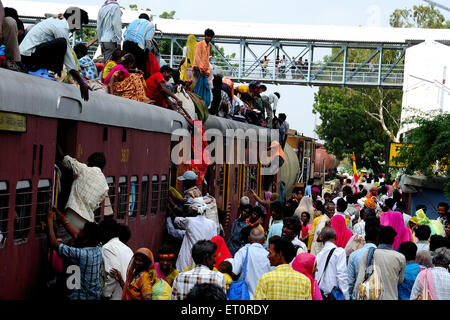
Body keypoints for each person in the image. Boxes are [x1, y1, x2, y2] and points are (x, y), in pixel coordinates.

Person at [19, 9, 90, 100]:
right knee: (61, 43)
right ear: (73, 20)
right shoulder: (61, 27)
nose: (78, 28)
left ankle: (50, 72)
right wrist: (81, 83)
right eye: (79, 24)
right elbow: (68, 58)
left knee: (61, 46)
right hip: (28, 57)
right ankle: (40, 70)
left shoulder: (57, 21)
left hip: (29, 54)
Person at [46, 210, 103, 300]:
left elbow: (54, 243)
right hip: (95, 296)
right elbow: (76, 234)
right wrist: (62, 217)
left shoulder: (82, 254)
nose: (79, 230)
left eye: (82, 231)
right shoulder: (98, 249)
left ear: (86, 238)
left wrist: (49, 221)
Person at [58, 146, 109, 231]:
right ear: (103, 166)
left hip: (72, 216)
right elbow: (96, 205)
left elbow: (66, 159)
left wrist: (57, 146)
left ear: (89, 162)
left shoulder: (83, 169)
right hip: (87, 222)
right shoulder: (105, 186)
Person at [354, 226, 406, 300]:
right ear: (393, 240)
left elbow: (360, 279)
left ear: (378, 238)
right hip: (391, 297)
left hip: (371, 297)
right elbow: (400, 280)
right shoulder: (400, 257)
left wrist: (356, 295)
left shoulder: (369, 254)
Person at [173, 198, 218, 272]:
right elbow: (214, 239)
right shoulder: (212, 223)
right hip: (205, 260)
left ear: (193, 210)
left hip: (188, 260)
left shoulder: (189, 221)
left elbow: (176, 220)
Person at [231, 227, 272, 299]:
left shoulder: (243, 251)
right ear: (264, 240)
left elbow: (234, 272)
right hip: (262, 297)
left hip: (243, 296)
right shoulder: (269, 256)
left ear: (249, 239)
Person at [99, 218, 133, 300]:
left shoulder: (107, 248)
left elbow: (112, 274)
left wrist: (106, 294)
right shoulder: (127, 248)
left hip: (116, 295)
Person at [315, 226, 350, 300]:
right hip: (334, 295)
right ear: (335, 237)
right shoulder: (339, 252)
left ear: (322, 238)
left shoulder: (318, 255)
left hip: (321, 294)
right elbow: (342, 276)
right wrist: (346, 296)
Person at [347, 224, 379, 298]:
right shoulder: (382, 255)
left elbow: (350, 281)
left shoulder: (354, 255)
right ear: (378, 239)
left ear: (365, 238)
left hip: (358, 294)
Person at [123, 13, 155, 77]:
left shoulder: (133, 22)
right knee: (140, 69)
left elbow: (124, 34)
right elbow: (148, 39)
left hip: (126, 45)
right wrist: (148, 50)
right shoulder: (150, 25)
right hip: (138, 47)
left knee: (126, 67)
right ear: (148, 19)